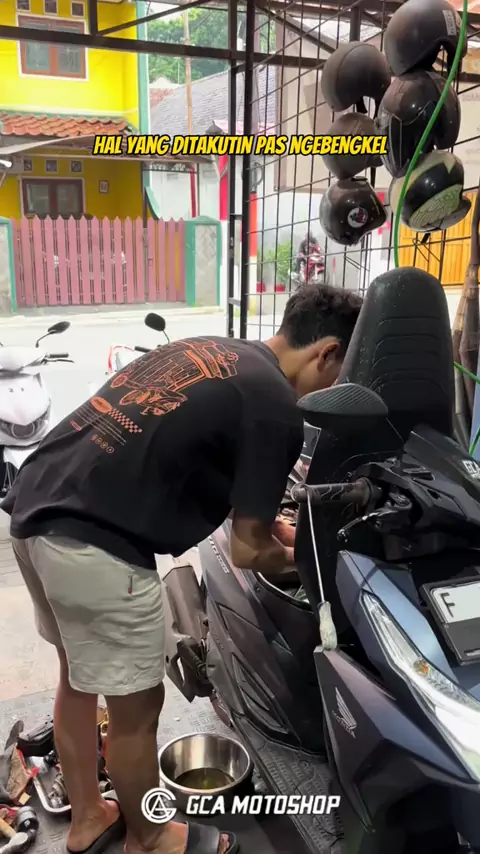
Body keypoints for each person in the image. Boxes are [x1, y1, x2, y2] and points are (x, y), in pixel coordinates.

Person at [2, 282, 362, 854]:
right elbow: (247, 553)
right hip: (96, 547)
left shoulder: (218, 351)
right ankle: (150, 838)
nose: (334, 389)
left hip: (34, 509)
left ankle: (89, 817)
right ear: (328, 352)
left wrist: (278, 530)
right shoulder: (277, 407)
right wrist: (314, 559)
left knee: (78, 676)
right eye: (342, 373)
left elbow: (235, 496)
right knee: (137, 710)